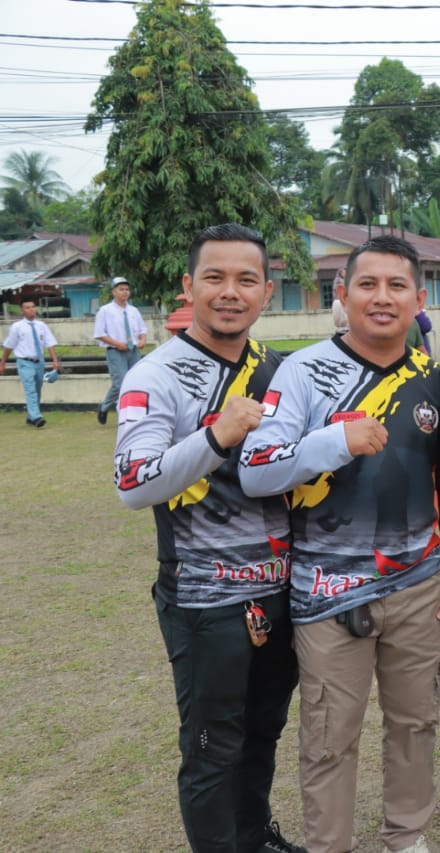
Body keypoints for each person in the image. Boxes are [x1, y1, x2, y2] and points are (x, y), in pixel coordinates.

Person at [239, 235, 440, 853]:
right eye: (366, 284)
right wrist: (335, 443)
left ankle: (407, 836)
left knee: (416, 721)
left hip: (418, 586)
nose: (381, 298)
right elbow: (255, 469)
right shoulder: (301, 370)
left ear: (419, 298)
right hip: (327, 593)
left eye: (396, 286)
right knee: (328, 736)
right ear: (341, 294)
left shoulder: (434, 378)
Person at [112, 224, 304, 853]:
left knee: (263, 731)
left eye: (246, 279)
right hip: (204, 601)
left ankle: (254, 836)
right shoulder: (154, 374)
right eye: (215, 278)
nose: (230, 292)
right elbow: (134, 484)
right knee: (210, 747)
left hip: (284, 592)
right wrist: (217, 436)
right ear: (188, 285)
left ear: (267, 291)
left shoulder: (280, 371)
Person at [94, 275, 147, 424]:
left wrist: (142, 339)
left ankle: (132, 412)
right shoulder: (105, 311)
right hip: (116, 351)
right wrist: (117, 344)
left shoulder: (133, 310)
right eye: (121, 289)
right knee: (120, 383)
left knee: (136, 381)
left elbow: (142, 329)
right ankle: (105, 407)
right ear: (114, 292)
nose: (125, 292)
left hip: (133, 351)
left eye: (127, 289)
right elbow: (99, 334)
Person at [1, 297, 61, 427]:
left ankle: (30, 416)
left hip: (39, 362)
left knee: (37, 389)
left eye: (33, 307)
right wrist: (3, 362)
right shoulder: (17, 327)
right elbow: (9, 346)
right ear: (22, 310)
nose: (31, 310)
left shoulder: (41, 326)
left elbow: (49, 344)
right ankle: (36, 417)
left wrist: (55, 361)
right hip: (24, 362)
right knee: (30, 390)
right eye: (27, 308)